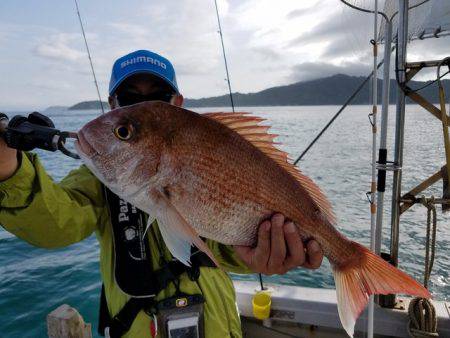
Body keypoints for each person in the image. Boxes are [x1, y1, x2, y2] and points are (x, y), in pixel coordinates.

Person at [0, 50, 324, 338]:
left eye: (158, 96)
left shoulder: (208, 154)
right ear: (112, 104)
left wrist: (256, 254)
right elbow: (58, 222)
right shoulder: (95, 180)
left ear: (177, 104)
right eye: (128, 99)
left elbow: (227, 241)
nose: (141, 104)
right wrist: (7, 169)